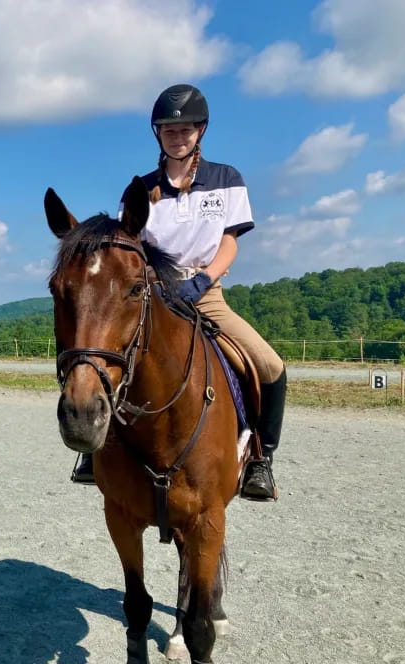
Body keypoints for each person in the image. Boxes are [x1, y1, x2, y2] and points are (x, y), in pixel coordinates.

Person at [70, 84, 286, 501]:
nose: (178, 136)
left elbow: (230, 241)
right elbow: (128, 246)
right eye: (169, 129)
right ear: (158, 134)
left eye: (186, 129)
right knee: (104, 357)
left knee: (270, 366)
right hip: (152, 297)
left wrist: (204, 279)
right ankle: (93, 452)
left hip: (205, 294)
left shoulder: (226, 179)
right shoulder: (140, 188)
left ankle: (261, 458)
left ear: (200, 132)